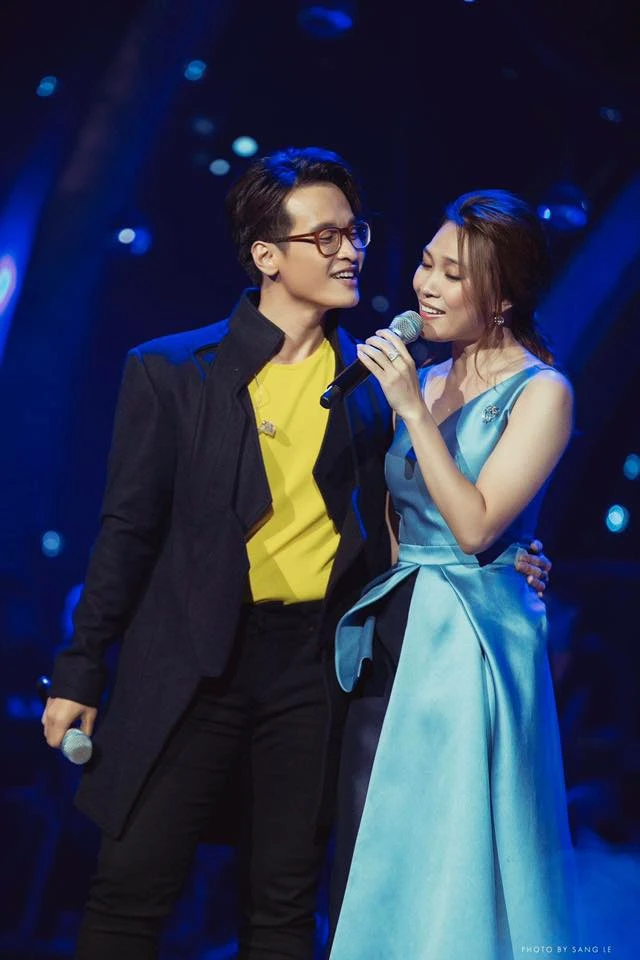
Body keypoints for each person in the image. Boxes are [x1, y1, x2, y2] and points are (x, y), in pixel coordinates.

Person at [41, 149, 550, 960]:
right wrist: (78, 671)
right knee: (131, 890)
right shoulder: (171, 372)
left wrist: (512, 556)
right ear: (267, 256)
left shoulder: (378, 389)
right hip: (190, 662)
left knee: (282, 907)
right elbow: (126, 533)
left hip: (313, 672)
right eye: (326, 237)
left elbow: (424, 512)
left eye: (356, 232)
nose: (351, 252)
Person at [329, 190, 576, 960]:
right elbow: (400, 520)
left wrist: (411, 406)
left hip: (472, 643)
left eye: (453, 275)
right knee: (371, 842)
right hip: (398, 622)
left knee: (452, 853)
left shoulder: (542, 392)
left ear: (502, 298)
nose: (425, 286)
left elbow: (474, 526)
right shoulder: (428, 377)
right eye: (426, 264)